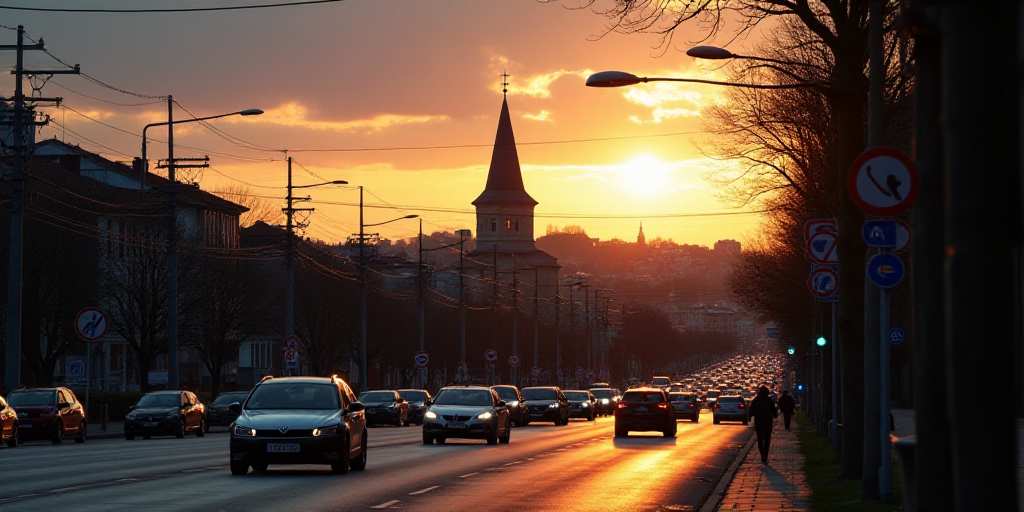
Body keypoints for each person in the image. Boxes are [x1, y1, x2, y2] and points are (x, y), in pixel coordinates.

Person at [748, 385, 778, 464]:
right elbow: (774, 410)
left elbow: (751, 410)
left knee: (760, 439)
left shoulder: (756, 400)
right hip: (768, 422)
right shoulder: (769, 400)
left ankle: (762, 454)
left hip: (759, 422)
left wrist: (750, 417)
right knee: (767, 439)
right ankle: (765, 454)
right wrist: (775, 415)